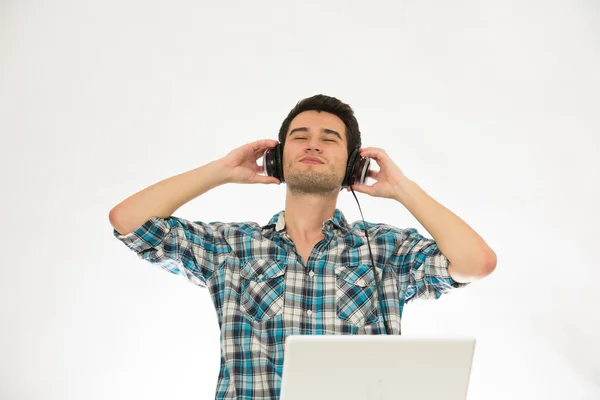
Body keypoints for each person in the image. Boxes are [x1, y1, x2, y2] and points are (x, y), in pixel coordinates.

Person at [109, 94, 497, 400]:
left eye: (329, 140)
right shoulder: (231, 248)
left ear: (351, 167)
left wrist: (403, 190)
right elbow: (129, 222)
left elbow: (476, 262)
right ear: (279, 158)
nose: (313, 145)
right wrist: (219, 172)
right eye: (300, 137)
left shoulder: (386, 251)